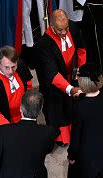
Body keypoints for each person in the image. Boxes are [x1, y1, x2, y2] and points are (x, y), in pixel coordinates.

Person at [57, 63, 103, 178]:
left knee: (74, 177)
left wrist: (71, 154)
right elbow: (94, 102)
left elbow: (76, 134)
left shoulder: (79, 106)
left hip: (84, 148)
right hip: (102, 143)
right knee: (98, 173)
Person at [35, 9, 86, 145]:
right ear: (51, 27)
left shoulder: (73, 28)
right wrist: (70, 89)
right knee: (57, 110)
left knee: (72, 107)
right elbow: (52, 74)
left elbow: (81, 50)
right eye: (59, 30)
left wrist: (80, 72)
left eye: (66, 28)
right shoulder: (43, 45)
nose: (64, 33)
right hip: (53, 83)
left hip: (70, 75)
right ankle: (61, 137)